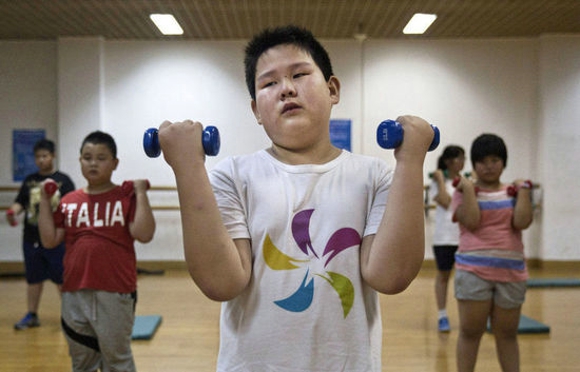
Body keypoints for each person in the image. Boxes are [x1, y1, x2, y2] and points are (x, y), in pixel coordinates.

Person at [154, 25, 436, 371]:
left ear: (332, 89)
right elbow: (221, 282)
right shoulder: (234, 176)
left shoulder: (373, 177)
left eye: (300, 74)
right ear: (257, 110)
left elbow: (391, 277)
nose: (286, 88)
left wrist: (410, 160)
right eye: (270, 83)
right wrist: (187, 168)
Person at [37, 131, 155, 372]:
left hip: (115, 292)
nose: (93, 163)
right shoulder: (69, 200)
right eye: (87, 157)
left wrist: (140, 193)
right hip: (73, 292)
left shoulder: (124, 197)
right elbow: (50, 240)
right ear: (79, 161)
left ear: (115, 163)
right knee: (82, 361)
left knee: (117, 360)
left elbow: (144, 234)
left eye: (101, 158)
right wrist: (43, 200)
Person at [451, 133, 533, 372]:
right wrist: (468, 190)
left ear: (504, 162)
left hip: (511, 274)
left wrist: (525, 191)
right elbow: (472, 222)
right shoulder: (463, 191)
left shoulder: (514, 192)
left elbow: (522, 222)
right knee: (470, 333)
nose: (489, 166)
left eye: (495, 160)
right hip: (473, 271)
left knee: (507, 335)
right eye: (483, 161)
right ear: (474, 164)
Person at [5, 138, 75, 330]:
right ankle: (32, 314)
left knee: (62, 279)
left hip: (57, 239)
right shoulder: (30, 180)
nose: (41, 160)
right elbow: (20, 202)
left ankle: (69, 316)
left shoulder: (64, 180)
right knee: (33, 278)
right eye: (38, 157)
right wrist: (12, 212)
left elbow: (72, 206)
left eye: (45, 156)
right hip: (31, 238)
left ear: (53, 156)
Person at [429, 145, 465, 332]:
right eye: (460, 158)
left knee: (465, 278)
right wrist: (441, 180)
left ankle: (468, 315)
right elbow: (445, 202)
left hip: (465, 238)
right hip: (444, 238)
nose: (463, 161)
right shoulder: (438, 182)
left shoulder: (466, 182)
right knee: (443, 276)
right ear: (450, 161)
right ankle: (442, 315)